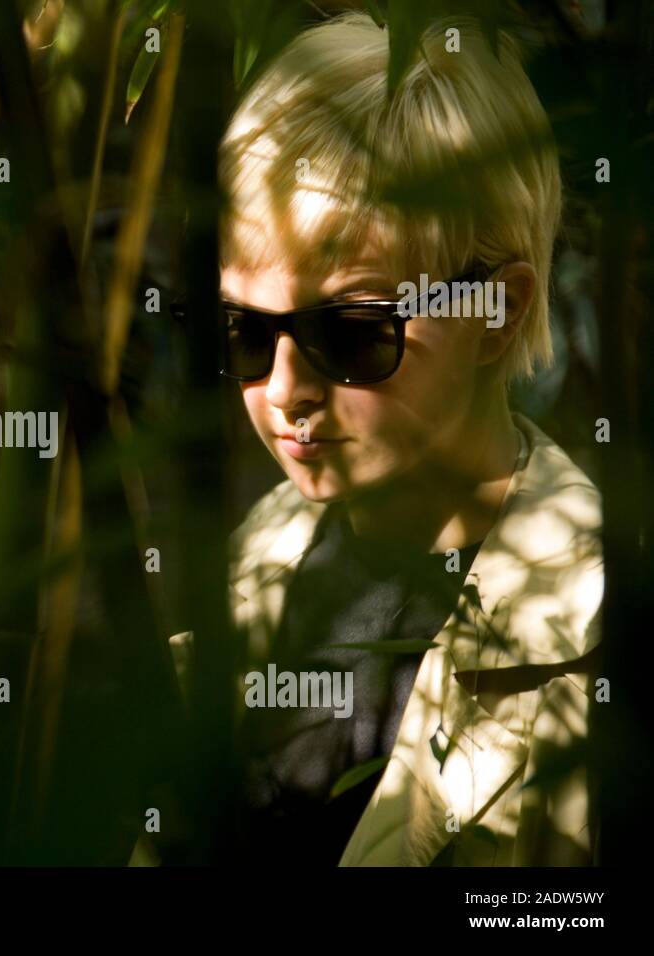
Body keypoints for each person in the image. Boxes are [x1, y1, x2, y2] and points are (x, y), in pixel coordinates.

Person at [163, 13, 601, 866]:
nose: (285, 390)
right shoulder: (269, 548)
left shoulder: (594, 628)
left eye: (355, 332)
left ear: (498, 312)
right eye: (245, 333)